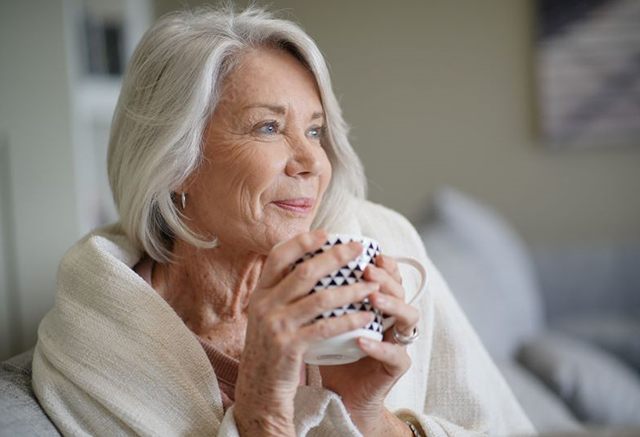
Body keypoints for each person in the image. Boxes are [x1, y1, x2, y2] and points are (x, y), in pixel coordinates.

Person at [32, 5, 535, 436]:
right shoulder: (95, 337)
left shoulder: (383, 246)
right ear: (176, 165)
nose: (312, 161)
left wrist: (369, 416)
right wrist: (261, 410)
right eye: (269, 127)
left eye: (315, 131)